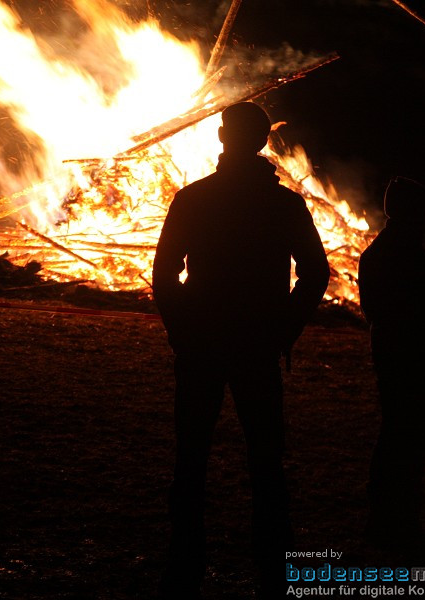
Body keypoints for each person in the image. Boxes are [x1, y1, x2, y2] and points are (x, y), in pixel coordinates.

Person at [151, 101, 330, 599]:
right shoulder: (283, 205)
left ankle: (185, 558)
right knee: (265, 456)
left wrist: (181, 328)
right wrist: (284, 328)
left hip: (205, 340)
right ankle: (273, 559)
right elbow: (316, 273)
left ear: (223, 140)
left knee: (192, 454)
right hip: (255, 342)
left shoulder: (193, 199)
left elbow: (164, 274)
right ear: (261, 143)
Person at [357, 176, 425, 547]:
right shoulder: (408, 257)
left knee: (397, 432)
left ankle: (387, 517)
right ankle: (398, 520)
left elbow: (371, 310)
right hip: (413, 356)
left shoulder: (377, 253)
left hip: (391, 351)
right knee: (408, 435)